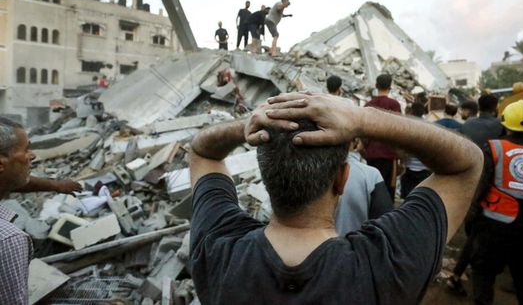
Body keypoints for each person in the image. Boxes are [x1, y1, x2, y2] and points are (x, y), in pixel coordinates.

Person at [189, 92, 483, 305]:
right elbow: (467, 163)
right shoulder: (388, 264)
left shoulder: (218, 250)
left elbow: (202, 151)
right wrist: (362, 119)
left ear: (265, 177)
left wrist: (246, 125)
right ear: (343, 178)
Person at [466, 100, 523, 305]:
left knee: (483, 275)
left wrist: (471, 220)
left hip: (493, 227)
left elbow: (480, 187)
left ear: (505, 124)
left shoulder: (493, 148)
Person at [0, 117, 82, 304]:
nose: (33, 155)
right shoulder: (8, 240)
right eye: (26, 149)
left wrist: (55, 185)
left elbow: (10, 178)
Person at [335, 138, 393, 235]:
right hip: (355, 246)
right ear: (356, 142)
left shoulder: (306, 167)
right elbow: (386, 226)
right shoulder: (370, 174)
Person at [363, 74, 402, 201]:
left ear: (376, 86)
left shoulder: (369, 105)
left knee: (372, 188)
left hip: (371, 154)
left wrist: (365, 148)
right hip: (389, 155)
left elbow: (363, 130)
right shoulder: (394, 104)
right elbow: (398, 130)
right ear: (390, 87)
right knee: (387, 190)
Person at [400, 102, 431, 199]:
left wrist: (402, 162)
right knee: (421, 198)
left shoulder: (407, 125)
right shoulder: (429, 126)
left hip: (409, 168)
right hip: (425, 169)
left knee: (408, 199)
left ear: (412, 111)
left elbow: (402, 148)